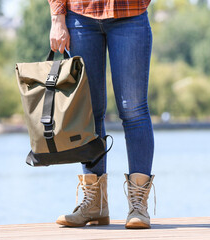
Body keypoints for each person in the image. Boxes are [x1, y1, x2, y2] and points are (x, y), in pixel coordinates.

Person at [47, 0, 155, 229]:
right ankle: (94, 203)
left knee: (134, 111)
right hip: (80, 15)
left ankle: (138, 206)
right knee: (88, 112)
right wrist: (57, 17)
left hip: (131, 13)